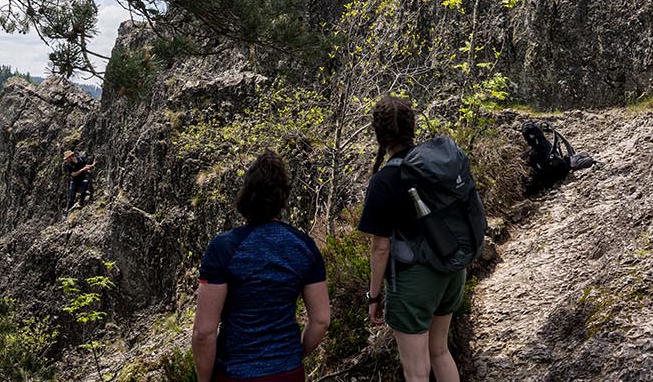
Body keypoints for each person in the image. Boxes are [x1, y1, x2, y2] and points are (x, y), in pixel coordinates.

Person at [192, 152, 330, 382]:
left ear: (246, 195)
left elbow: (204, 332)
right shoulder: (304, 245)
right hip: (288, 372)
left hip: (236, 372)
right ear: (283, 198)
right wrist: (294, 355)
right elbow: (321, 320)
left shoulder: (224, 248)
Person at [359, 97, 467, 382]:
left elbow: (381, 247)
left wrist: (373, 297)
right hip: (452, 268)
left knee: (416, 371)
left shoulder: (383, 181)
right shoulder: (436, 163)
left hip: (413, 281)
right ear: (412, 127)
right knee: (440, 352)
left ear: (379, 134)